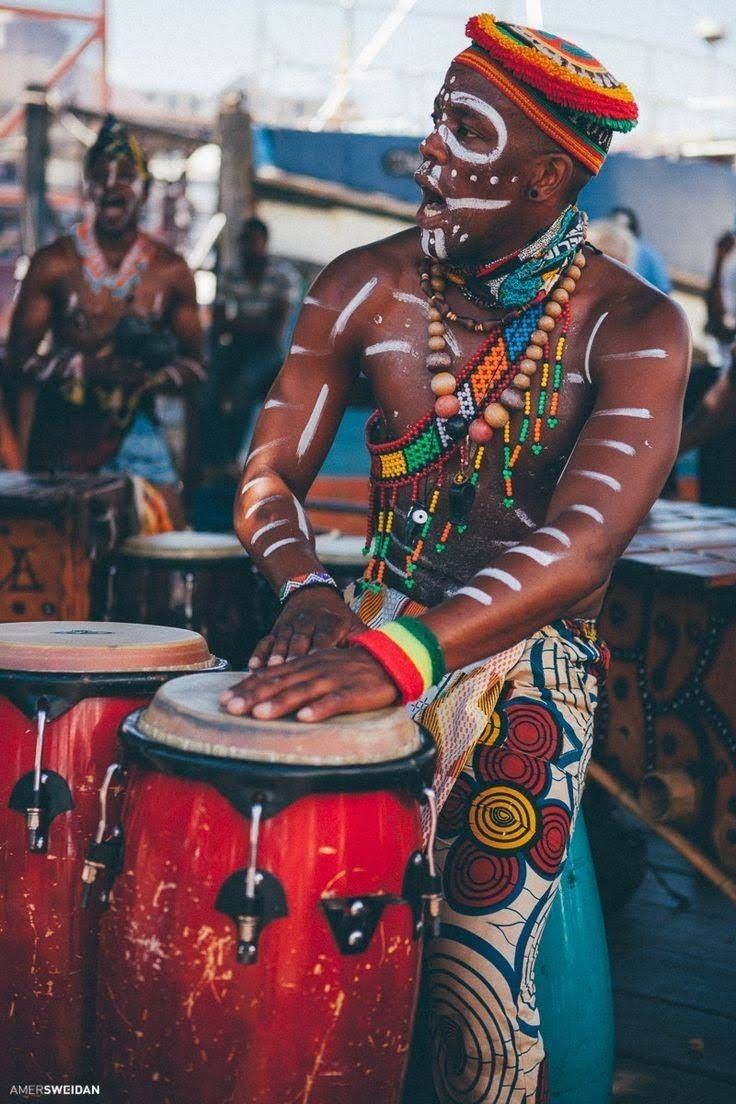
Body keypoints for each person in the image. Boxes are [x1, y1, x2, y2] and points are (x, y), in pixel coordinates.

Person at [222, 13, 690, 1103]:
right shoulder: (360, 283)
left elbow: (580, 552)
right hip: (360, 633)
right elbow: (264, 478)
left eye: (463, 130)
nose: (428, 151)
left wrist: (402, 660)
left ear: (542, 180)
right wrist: (307, 592)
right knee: (280, 939)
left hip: (527, 659)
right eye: (435, 119)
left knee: (485, 997)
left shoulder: (633, 327)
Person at [4, 115, 205, 521]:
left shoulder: (170, 271)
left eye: (126, 176)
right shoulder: (54, 264)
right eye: (100, 175)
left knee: (170, 530)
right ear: (87, 188)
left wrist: (149, 378)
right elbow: (16, 361)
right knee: (57, 543)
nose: (112, 183)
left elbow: (198, 366)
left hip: (135, 429)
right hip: (62, 430)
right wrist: (83, 366)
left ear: (145, 189)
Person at [205, 216, 301, 466]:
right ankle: (214, 458)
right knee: (207, 386)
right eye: (243, 242)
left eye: (252, 241)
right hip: (237, 346)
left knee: (244, 384)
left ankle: (230, 457)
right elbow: (218, 323)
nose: (247, 246)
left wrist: (236, 325)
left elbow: (273, 332)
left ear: (264, 242)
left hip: (266, 350)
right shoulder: (231, 274)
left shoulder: (282, 276)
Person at [610, 205, 671, 293]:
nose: (618, 234)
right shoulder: (600, 245)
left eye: (622, 229)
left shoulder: (650, 256)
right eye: (614, 228)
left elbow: (664, 291)